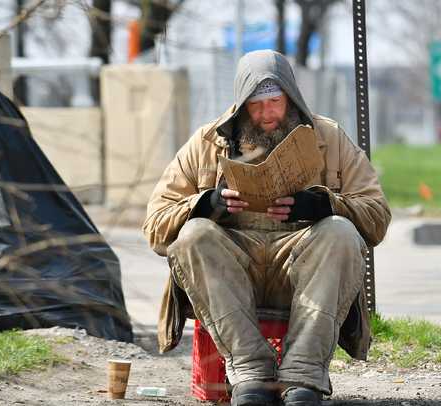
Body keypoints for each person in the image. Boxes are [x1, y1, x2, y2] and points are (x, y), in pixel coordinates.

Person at [143, 50, 391, 406]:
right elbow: (154, 225)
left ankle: (303, 376)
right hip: (232, 272)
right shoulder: (206, 142)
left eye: (274, 102)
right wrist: (204, 205)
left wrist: (326, 203)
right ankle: (250, 374)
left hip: (302, 269)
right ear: (241, 105)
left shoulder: (329, 137)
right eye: (255, 106)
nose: (266, 114)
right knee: (193, 235)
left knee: (340, 231)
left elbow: (377, 215)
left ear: (290, 96)